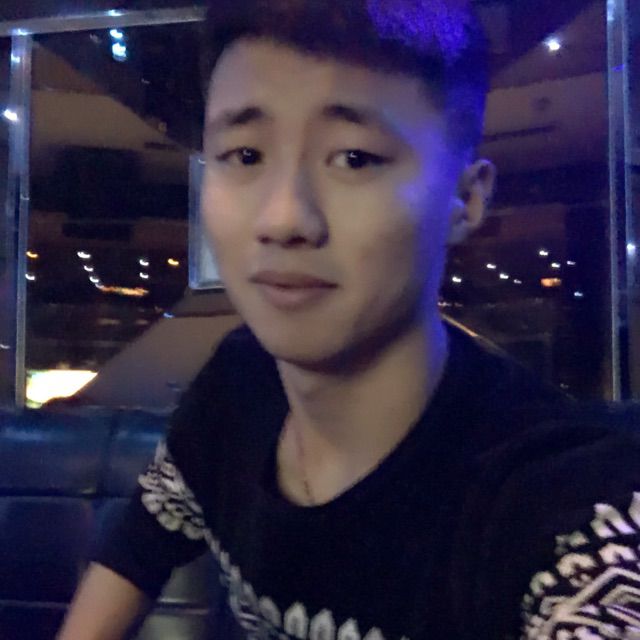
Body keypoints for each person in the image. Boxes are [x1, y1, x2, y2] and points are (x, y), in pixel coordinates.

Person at [58, 1, 640, 639]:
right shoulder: (239, 383)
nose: (283, 218)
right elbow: (140, 541)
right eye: (245, 155)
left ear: (465, 199)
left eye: (355, 158)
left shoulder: (567, 503)